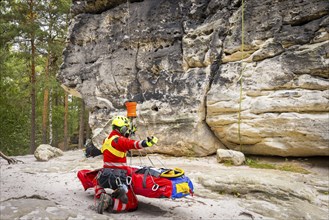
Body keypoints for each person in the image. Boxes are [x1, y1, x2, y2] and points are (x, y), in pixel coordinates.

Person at [85, 115, 158, 214]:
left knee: (97, 182)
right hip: (118, 178)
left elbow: (118, 145)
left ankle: (102, 194)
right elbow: (133, 144)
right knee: (132, 204)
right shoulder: (119, 140)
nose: (127, 131)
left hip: (104, 176)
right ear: (122, 128)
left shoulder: (106, 140)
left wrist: (129, 133)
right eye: (126, 129)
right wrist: (147, 143)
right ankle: (111, 202)